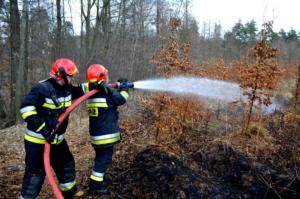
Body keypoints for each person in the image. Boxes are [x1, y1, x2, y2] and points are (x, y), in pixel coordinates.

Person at [19, 58, 103, 199]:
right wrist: (43, 129)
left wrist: (97, 85)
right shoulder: (42, 89)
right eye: (71, 75)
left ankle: (70, 194)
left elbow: (82, 89)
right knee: (35, 176)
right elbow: (26, 109)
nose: (73, 77)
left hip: (57, 141)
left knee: (66, 165)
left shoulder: (67, 88)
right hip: (38, 143)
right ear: (61, 75)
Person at [85, 64, 129, 195]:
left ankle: (97, 181)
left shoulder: (90, 93)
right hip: (105, 136)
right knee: (103, 160)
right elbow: (121, 99)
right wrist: (125, 88)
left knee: (100, 158)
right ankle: (95, 186)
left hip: (96, 135)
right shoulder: (106, 92)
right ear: (103, 76)